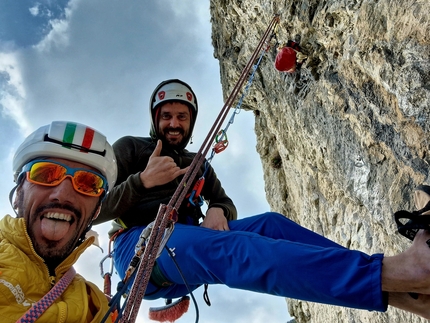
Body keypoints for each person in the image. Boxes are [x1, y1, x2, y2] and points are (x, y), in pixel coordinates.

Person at [96, 79, 430, 319]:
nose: (173, 123)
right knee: (235, 249)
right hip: (138, 249)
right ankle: (402, 271)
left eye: (181, 117)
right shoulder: (131, 148)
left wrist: (217, 209)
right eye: (166, 116)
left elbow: (224, 201)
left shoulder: (197, 165)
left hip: (187, 247)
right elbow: (92, 209)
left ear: (190, 122)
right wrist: (142, 182)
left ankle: (410, 297)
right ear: (155, 118)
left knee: (272, 224)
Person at [2, 121, 117, 323]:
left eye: (89, 183)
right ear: (20, 191)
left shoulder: (97, 306)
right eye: (46, 174)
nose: (63, 194)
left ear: (97, 210)